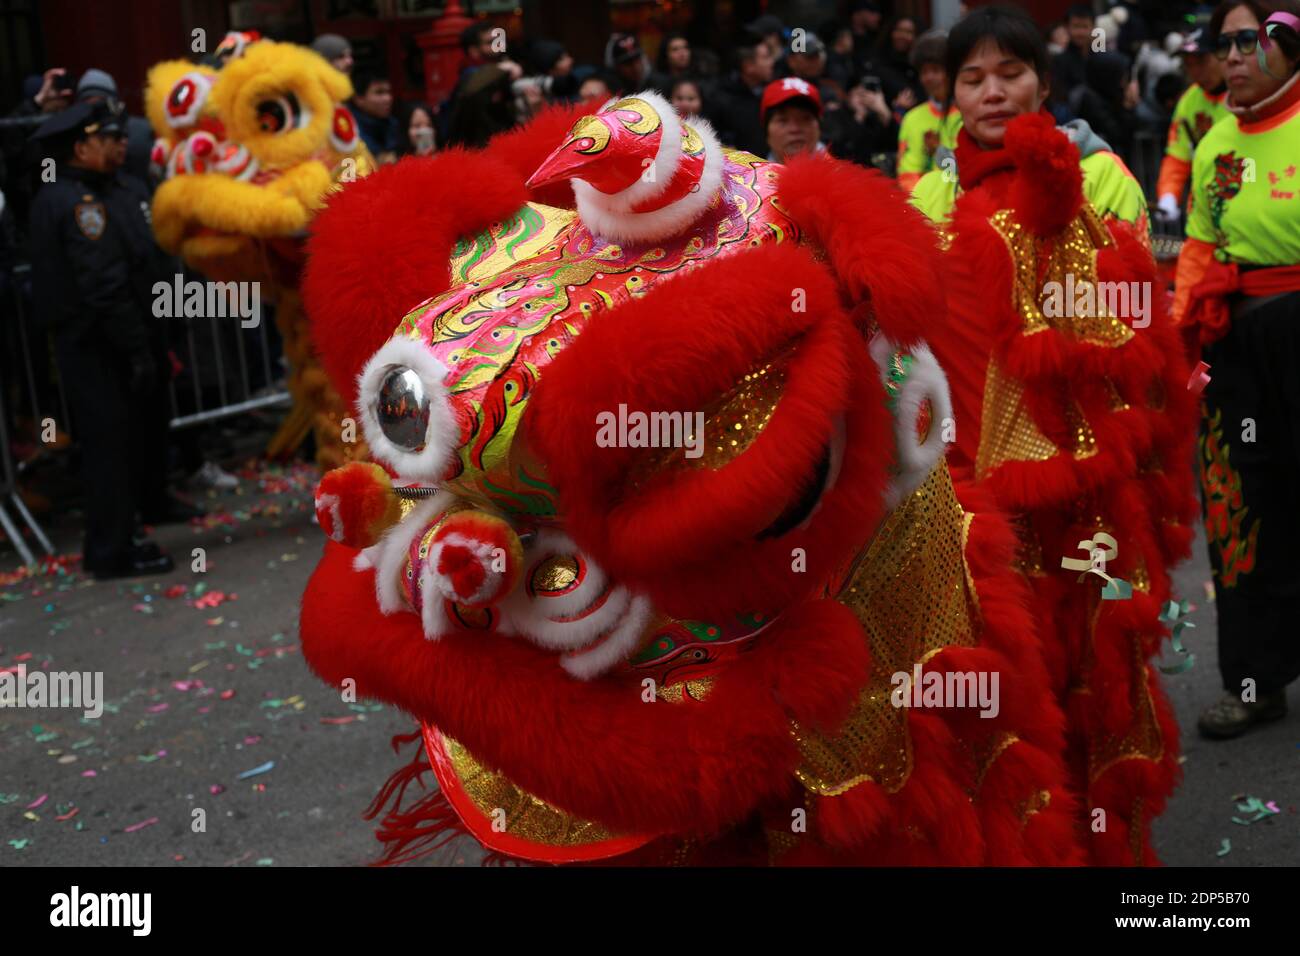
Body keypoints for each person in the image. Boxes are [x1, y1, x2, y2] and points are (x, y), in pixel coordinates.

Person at [910, 4, 1198, 866]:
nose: (993, 91)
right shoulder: (927, 194)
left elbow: (1133, 328)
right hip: (963, 488)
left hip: (1076, 480)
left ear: (1044, 80)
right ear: (949, 92)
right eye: (973, 77)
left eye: (1011, 72)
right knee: (995, 696)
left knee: (1088, 674)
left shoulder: (1098, 175)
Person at [1172, 1, 1300, 739]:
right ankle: (1254, 681)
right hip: (1237, 342)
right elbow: (1196, 244)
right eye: (1225, 45)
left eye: (1249, 41)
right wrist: (1181, 339)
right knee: (1237, 509)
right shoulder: (1215, 140)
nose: (1235, 57)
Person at [29, 100, 199, 579]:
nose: (117, 145)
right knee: (108, 450)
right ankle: (111, 550)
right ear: (80, 148)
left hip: (105, 341)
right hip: (97, 346)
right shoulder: (77, 203)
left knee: (125, 443)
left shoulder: (83, 192)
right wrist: (135, 349)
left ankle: (126, 532)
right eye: (105, 139)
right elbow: (104, 286)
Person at [1155, 29, 1231, 223]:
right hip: (1203, 207)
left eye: (1202, 62)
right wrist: (1168, 195)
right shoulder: (1189, 102)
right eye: (1189, 65)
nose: (1196, 72)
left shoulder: (1247, 94)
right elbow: (1178, 155)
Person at [896, 31, 962, 190]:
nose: (929, 78)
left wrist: (939, 151)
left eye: (936, 70)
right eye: (924, 72)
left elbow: (965, 169)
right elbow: (907, 173)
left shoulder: (969, 114)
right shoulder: (912, 118)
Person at [75, 69, 153, 186]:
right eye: (90, 105)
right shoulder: (77, 136)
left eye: (102, 105)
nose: (97, 111)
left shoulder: (142, 132)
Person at [707, 40, 775, 155]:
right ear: (748, 66)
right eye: (765, 57)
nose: (772, 62)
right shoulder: (722, 100)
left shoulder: (772, 93)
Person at [761, 77, 825, 163]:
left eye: (805, 119)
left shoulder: (842, 174)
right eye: (783, 120)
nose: (795, 129)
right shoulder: (748, 176)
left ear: (819, 128)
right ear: (767, 132)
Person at [1050, 4, 1096, 113]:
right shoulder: (1059, 61)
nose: (1080, 32)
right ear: (1067, 28)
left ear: (1093, 28)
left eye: (1085, 27)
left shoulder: (1101, 56)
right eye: (1076, 26)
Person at [349, 64, 398, 161]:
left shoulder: (393, 124)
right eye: (379, 92)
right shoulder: (349, 132)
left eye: (389, 92)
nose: (388, 98)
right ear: (359, 99)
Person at [605, 32, 669, 96]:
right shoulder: (613, 91)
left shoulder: (662, 84)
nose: (634, 66)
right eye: (628, 63)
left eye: (637, 59)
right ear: (617, 67)